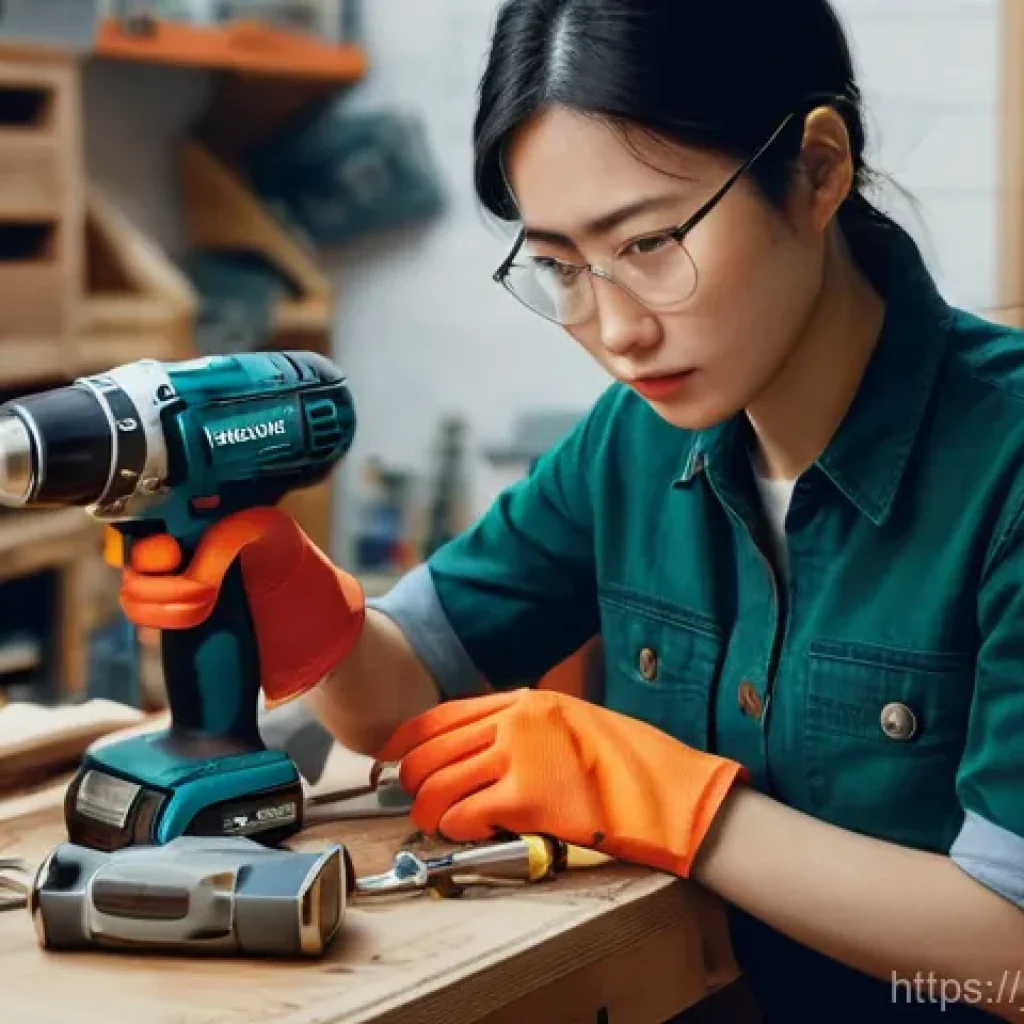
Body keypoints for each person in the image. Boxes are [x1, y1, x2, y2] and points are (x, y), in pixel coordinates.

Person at [124, 1, 1024, 1020]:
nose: (614, 328)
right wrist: (304, 608)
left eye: (647, 243)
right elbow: (395, 699)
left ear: (816, 170)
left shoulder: (1007, 464)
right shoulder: (633, 440)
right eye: (558, 265)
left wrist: (676, 805)